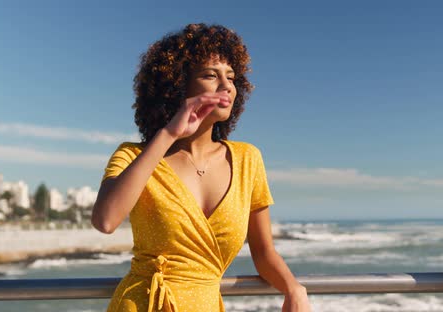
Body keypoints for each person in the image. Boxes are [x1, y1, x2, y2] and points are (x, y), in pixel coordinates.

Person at [92, 23, 311, 312]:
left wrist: (294, 289)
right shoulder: (134, 156)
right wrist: (168, 134)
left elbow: (263, 252)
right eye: (211, 75)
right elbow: (106, 220)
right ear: (176, 85)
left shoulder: (248, 159)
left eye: (231, 77)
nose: (226, 86)